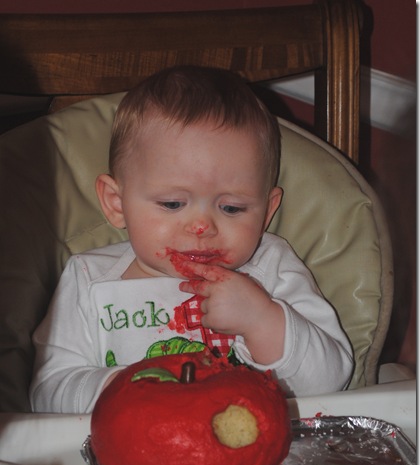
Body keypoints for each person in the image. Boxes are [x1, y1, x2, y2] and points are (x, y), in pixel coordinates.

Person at [30, 66, 353, 413]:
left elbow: (331, 381)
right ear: (116, 203)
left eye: (231, 208)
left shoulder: (272, 269)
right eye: (172, 204)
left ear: (266, 211)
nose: (201, 227)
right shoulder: (89, 280)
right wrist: (121, 388)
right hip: (128, 442)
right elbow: (48, 393)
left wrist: (262, 321)